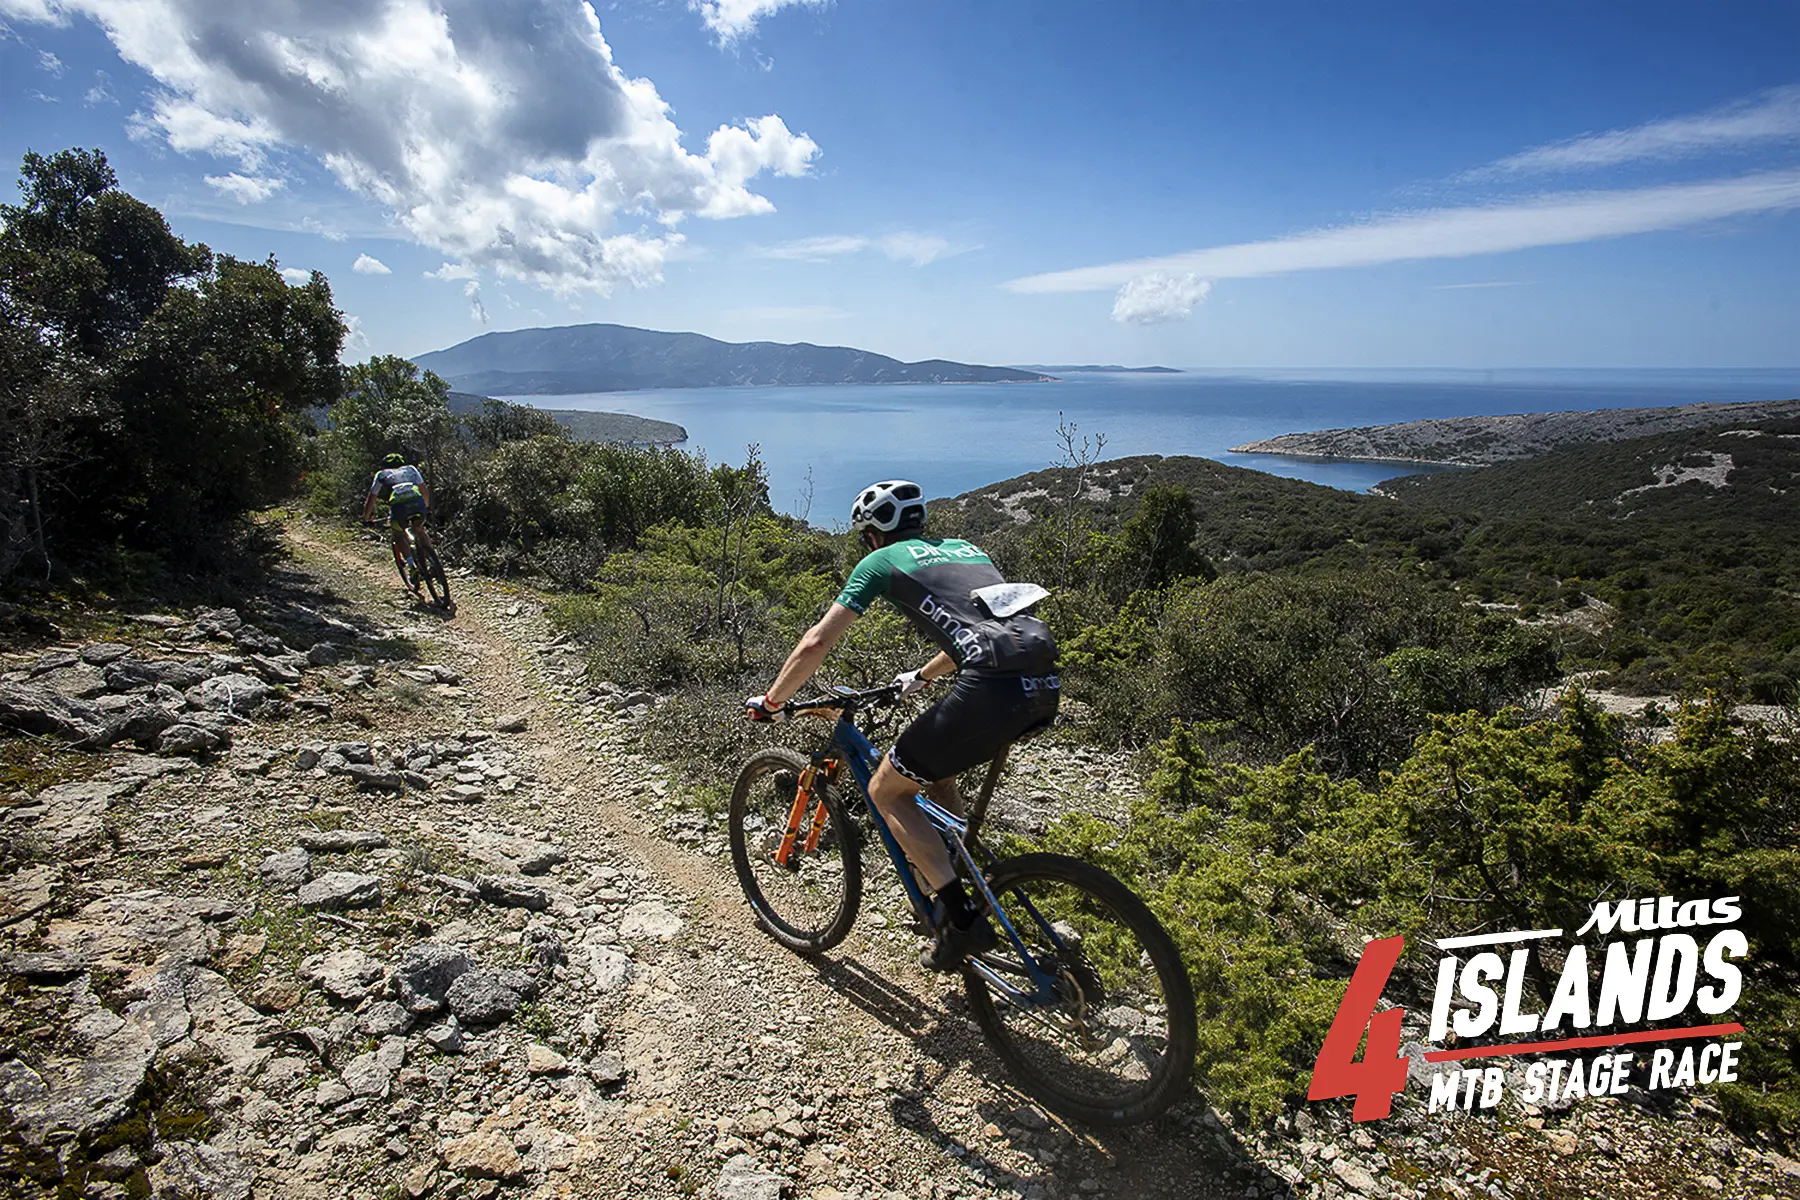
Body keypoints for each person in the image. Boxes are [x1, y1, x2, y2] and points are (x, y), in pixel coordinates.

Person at [746, 480, 1060, 970]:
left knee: (886, 790)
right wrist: (921, 676)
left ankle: (960, 923)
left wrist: (772, 701)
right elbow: (984, 630)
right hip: (1042, 681)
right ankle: (951, 875)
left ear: (872, 534)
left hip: (990, 687)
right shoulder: (969, 550)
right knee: (936, 774)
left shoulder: (880, 561)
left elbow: (816, 643)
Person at [362, 453, 434, 593]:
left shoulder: (381, 474)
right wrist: (427, 507)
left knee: (398, 534)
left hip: (399, 508)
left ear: (385, 466)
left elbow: (371, 498)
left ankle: (412, 567)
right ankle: (432, 561)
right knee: (419, 529)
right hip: (418, 503)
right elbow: (424, 491)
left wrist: (366, 518)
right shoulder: (411, 469)